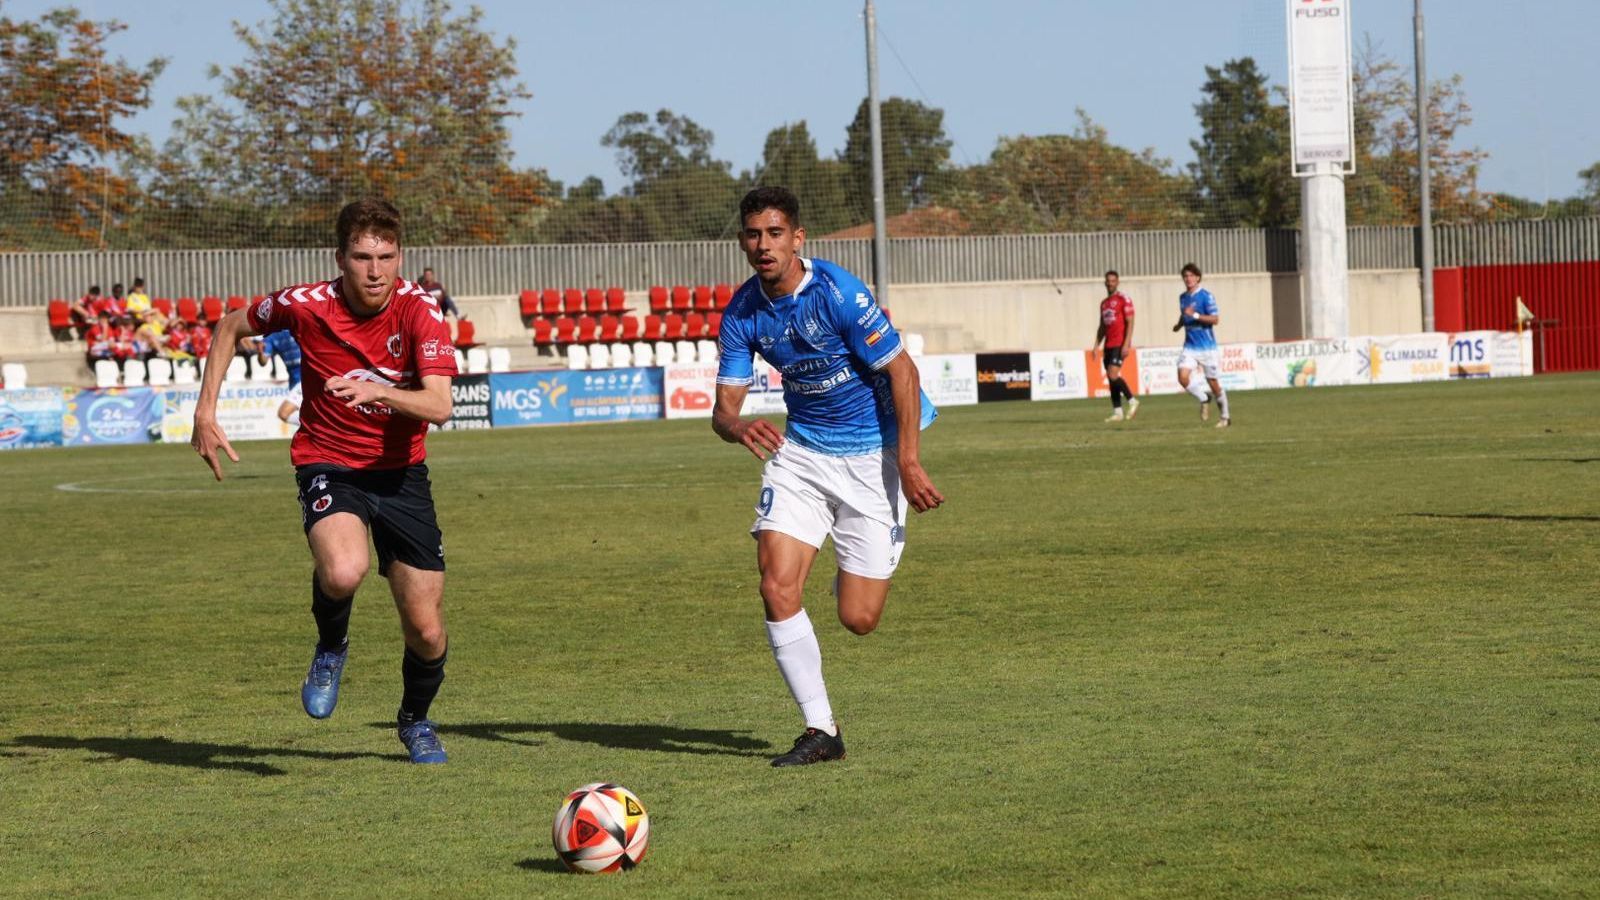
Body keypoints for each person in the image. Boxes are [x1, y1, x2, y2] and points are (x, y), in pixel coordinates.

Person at [190, 199, 460, 764]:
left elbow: (439, 406)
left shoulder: (420, 311)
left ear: (400, 257)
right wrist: (205, 410)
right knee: (343, 569)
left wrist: (380, 391)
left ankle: (415, 722)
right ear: (340, 258)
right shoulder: (305, 304)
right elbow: (230, 325)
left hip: (402, 476)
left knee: (428, 634)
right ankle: (331, 645)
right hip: (329, 461)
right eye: (362, 256)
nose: (375, 270)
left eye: (386, 256)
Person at [712, 186, 944, 768]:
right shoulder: (741, 313)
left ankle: (852, 556)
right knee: (775, 586)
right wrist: (736, 426)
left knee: (858, 619)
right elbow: (724, 408)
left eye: (774, 234)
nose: (763, 246)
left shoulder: (838, 291)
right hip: (803, 456)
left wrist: (909, 462)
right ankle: (821, 729)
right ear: (743, 240)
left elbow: (902, 371)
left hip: (873, 458)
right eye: (752, 235)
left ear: (797, 238)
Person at [1171, 262, 1230, 428]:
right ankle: (1204, 398)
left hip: (1207, 347)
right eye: (1185, 276)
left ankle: (1225, 417)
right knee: (1182, 377)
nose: (1188, 279)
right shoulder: (1183, 298)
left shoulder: (1206, 296)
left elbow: (1215, 319)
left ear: (1197, 278)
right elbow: (1185, 316)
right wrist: (1179, 324)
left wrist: (1195, 315)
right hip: (1190, 346)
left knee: (1214, 384)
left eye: (1191, 276)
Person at [1092, 269, 1139, 422]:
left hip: (1120, 342)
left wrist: (1127, 344)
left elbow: (1130, 321)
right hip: (1108, 344)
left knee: (1113, 374)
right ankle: (1117, 412)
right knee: (1112, 378)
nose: (1110, 283)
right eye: (1108, 281)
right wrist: (1096, 346)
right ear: (1105, 282)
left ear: (1117, 282)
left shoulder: (1123, 299)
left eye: (1113, 281)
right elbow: (1102, 327)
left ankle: (1132, 401)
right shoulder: (1104, 304)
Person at [416, 267, 463, 342]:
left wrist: (439, 298)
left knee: (447, 299)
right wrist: (434, 298)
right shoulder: (423, 287)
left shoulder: (437, 285)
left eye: (430, 274)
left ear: (433, 275)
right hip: (430, 309)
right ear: (425, 276)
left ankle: (458, 315)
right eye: (427, 275)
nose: (428, 276)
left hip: (440, 306)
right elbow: (423, 299)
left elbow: (443, 295)